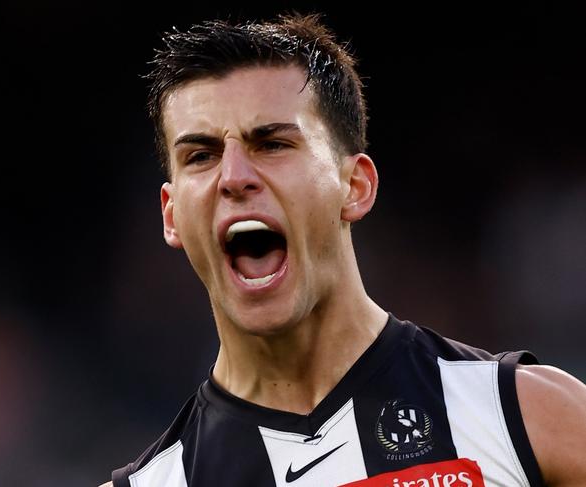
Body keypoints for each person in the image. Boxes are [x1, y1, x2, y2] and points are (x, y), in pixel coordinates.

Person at [102, 13, 586, 487]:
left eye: (271, 144)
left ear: (354, 185)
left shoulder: (529, 417)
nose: (233, 178)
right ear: (171, 216)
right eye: (201, 156)